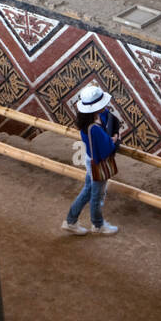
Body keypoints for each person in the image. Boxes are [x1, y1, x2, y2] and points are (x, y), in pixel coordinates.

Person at [61, 85, 120, 236]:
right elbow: (106, 149)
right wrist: (114, 140)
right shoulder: (95, 128)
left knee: (88, 191)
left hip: (90, 160)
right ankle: (98, 224)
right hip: (98, 163)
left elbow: (109, 119)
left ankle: (71, 221)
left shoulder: (87, 122)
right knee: (96, 196)